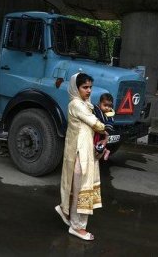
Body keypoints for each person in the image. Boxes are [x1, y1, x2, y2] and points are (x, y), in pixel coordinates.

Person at [55, 72, 107, 241]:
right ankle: (77, 227)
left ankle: (67, 213)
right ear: (76, 89)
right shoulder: (77, 104)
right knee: (81, 189)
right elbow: (96, 124)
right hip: (80, 154)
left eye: (90, 87)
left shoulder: (85, 104)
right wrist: (106, 129)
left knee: (79, 188)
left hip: (84, 152)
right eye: (85, 87)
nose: (89, 90)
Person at [93, 93, 115, 161]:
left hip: (103, 132)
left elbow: (110, 123)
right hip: (96, 130)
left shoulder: (110, 114)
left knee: (99, 144)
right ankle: (105, 151)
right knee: (96, 144)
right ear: (100, 103)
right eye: (105, 105)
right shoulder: (96, 109)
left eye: (109, 106)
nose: (107, 108)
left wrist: (107, 131)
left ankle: (105, 151)